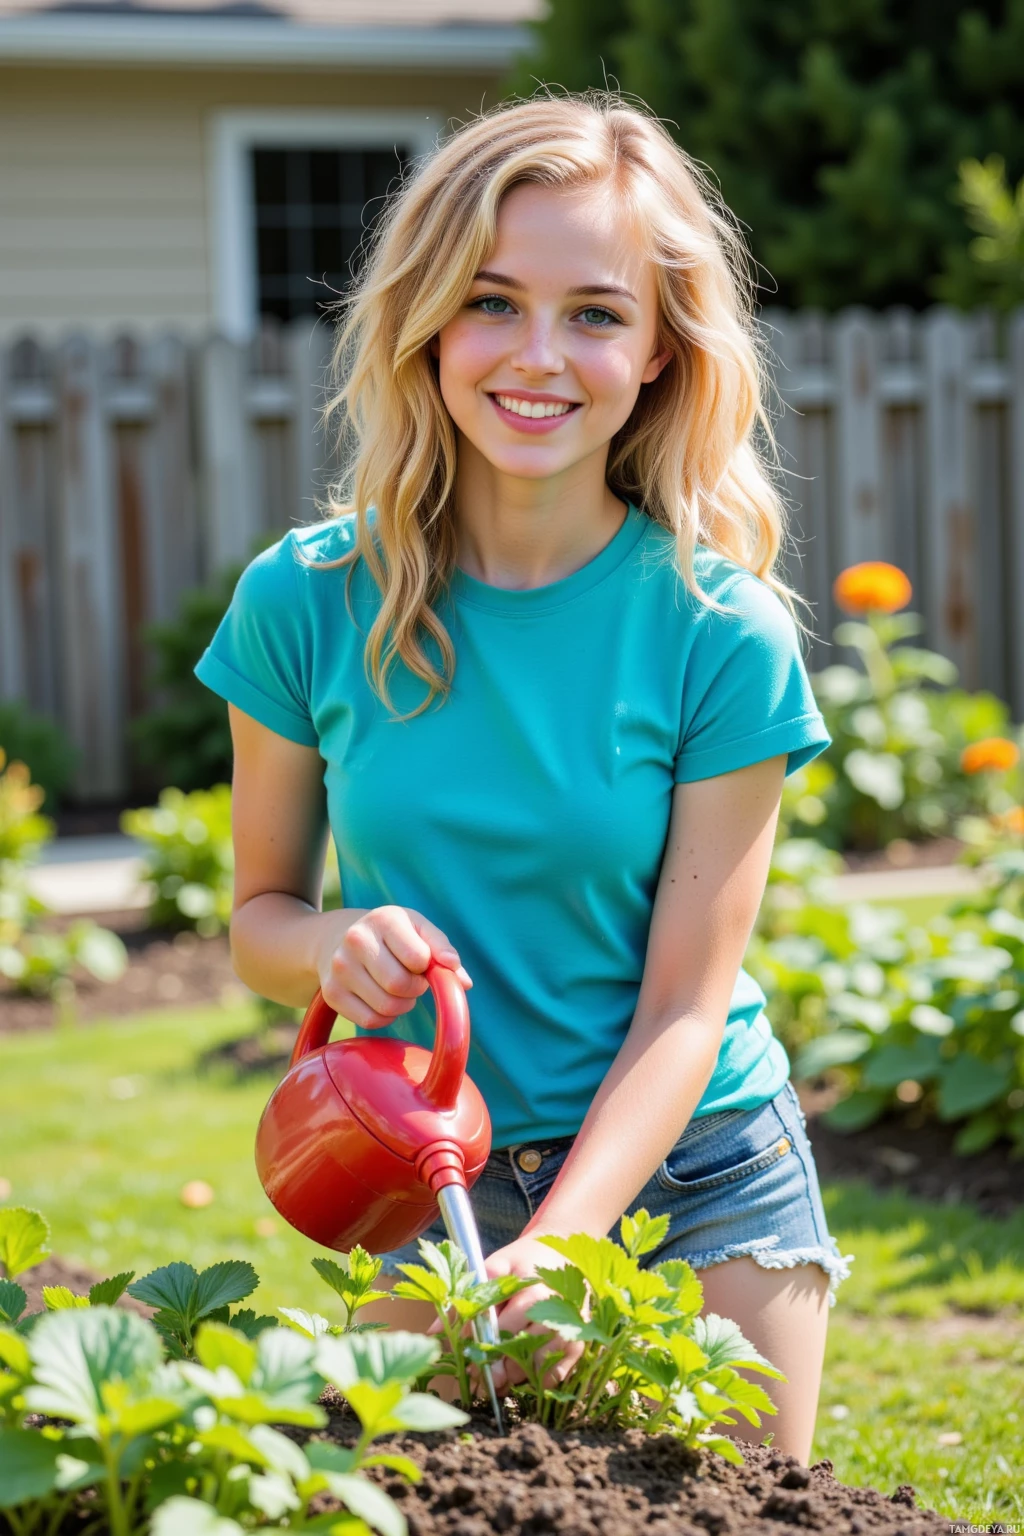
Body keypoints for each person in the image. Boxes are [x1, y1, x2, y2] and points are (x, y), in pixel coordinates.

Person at [195, 92, 851, 1463]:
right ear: (426, 322)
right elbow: (256, 925)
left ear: (663, 349)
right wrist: (332, 945)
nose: (538, 355)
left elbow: (686, 1005)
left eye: (597, 314)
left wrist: (562, 1247)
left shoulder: (717, 631)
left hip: (695, 1175)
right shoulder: (304, 602)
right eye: (492, 302)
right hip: (421, 1167)